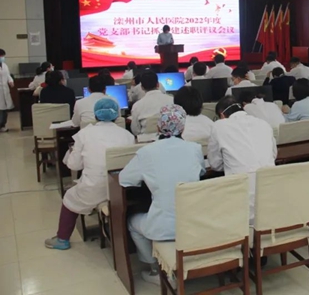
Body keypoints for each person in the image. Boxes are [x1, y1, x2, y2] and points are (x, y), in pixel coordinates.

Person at [121, 105, 204, 285]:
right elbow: (202, 171)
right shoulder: (195, 148)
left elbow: (124, 180)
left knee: (132, 222)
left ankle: (155, 270)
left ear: (158, 127)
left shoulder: (146, 152)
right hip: (194, 223)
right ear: (183, 128)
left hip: (164, 227)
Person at [45, 99, 135, 250]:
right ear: (117, 115)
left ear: (95, 115)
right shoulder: (127, 135)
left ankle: (62, 239)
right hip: (120, 188)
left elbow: (74, 165)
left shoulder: (84, 134)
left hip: (94, 188)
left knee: (69, 198)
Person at [208, 96, 276, 223]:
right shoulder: (263, 123)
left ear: (222, 115)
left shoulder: (219, 126)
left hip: (241, 207)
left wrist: (231, 162)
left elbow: (215, 164)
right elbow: (273, 154)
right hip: (273, 200)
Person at [0, 49, 14, 132]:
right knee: (1, 109)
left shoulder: (5, 65)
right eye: (1, 56)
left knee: (4, 109)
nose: (2, 58)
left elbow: (8, 75)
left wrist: (10, 81)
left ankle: (2, 125)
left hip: (4, 89)